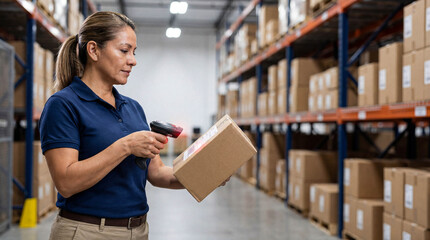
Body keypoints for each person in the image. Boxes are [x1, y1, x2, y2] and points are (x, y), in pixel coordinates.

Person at [39, 11, 227, 240]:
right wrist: (126, 146)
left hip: (137, 231)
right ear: (93, 50)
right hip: (86, 231)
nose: (133, 60)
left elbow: (157, 173)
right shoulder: (63, 104)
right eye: (124, 50)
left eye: (134, 52)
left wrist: (206, 173)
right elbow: (66, 182)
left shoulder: (132, 108)